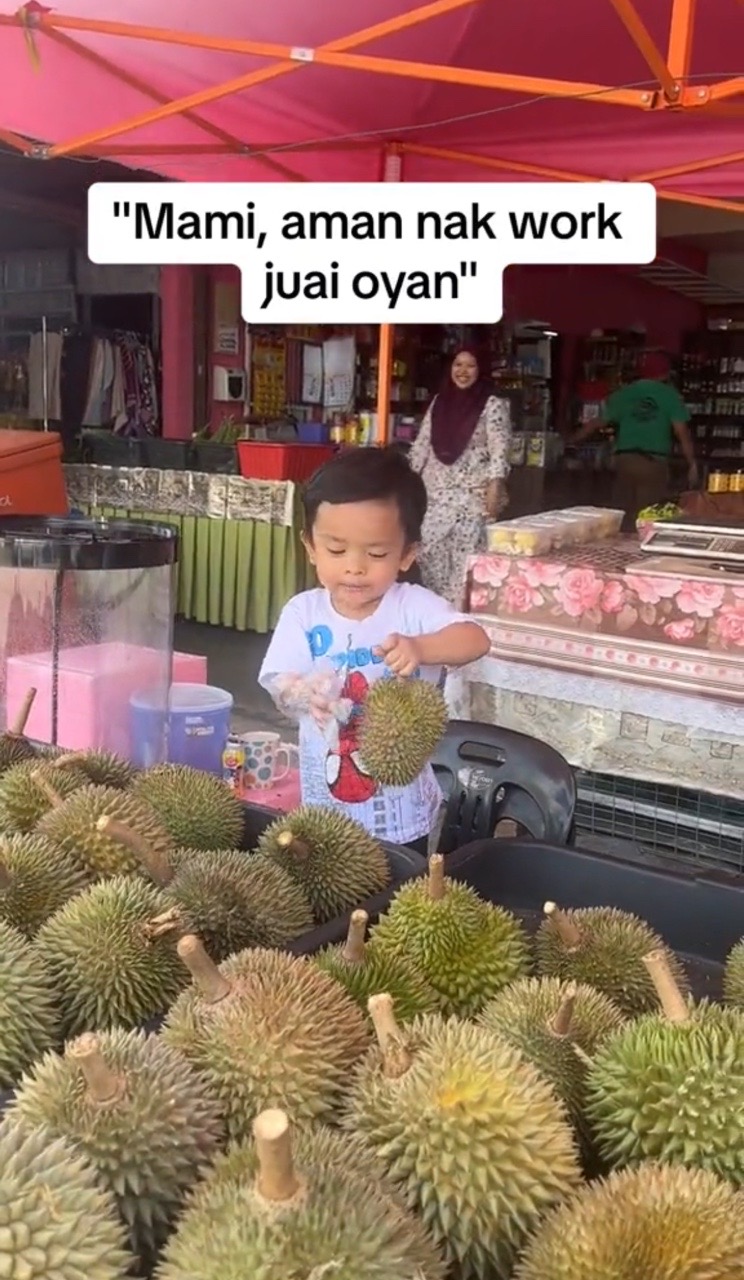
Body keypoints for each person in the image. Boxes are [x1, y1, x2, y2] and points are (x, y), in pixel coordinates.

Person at [258, 446, 490, 851]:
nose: (355, 566)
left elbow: (475, 639)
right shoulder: (304, 613)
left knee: (397, 896)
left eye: (377, 553)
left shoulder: (413, 607)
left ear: (407, 554)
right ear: (310, 547)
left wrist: (421, 646)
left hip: (402, 808)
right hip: (324, 805)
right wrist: (300, 692)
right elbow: (280, 680)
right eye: (336, 549)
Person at [409, 347, 512, 606]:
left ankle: (456, 617)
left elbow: (500, 448)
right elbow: (422, 444)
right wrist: (406, 480)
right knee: (428, 549)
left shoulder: (492, 404)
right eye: (458, 365)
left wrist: (495, 486)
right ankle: (439, 608)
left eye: (470, 366)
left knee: (466, 560)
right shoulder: (439, 402)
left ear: (481, 371)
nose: (463, 372)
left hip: (472, 495)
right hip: (435, 493)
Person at [571, 352, 698, 530]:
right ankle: (640, 553)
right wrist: (692, 463)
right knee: (648, 517)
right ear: (665, 373)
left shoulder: (624, 394)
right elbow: (682, 432)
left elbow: (598, 422)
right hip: (653, 462)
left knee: (621, 515)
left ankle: (616, 551)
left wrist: (572, 440)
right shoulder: (670, 396)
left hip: (625, 460)